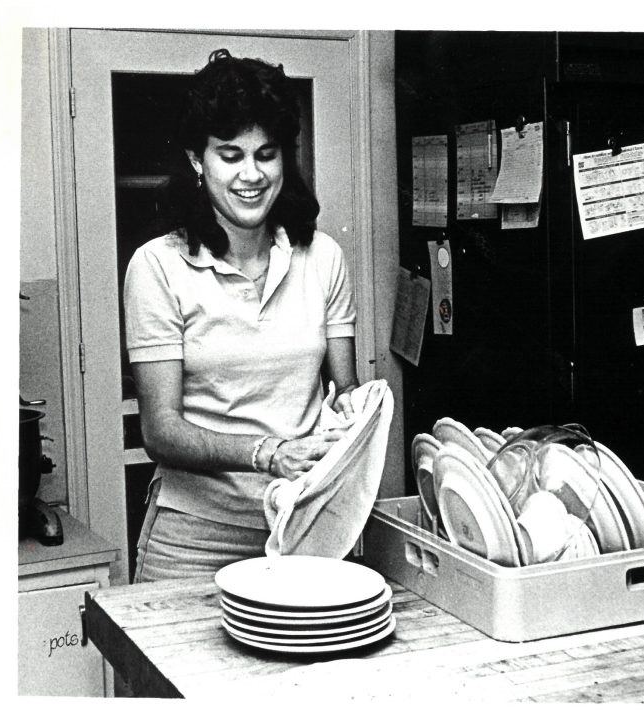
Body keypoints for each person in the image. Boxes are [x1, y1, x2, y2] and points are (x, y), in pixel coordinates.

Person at [123, 49, 360, 582]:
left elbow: (344, 393)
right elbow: (160, 432)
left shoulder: (322, 257)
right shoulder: (158, 267)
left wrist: (361, 414)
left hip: (302, 529)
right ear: (196, 161)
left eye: (266, 154)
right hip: (191, 539)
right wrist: (268, 453)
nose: (250, 175)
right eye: (230, 155)